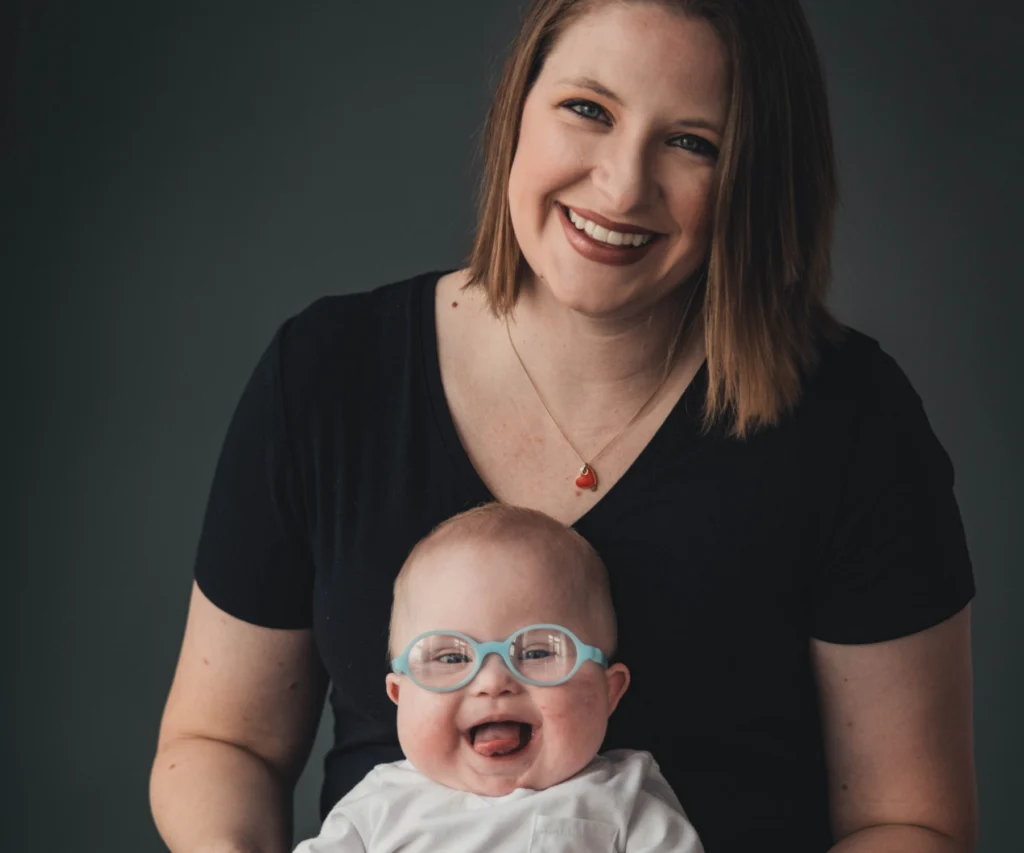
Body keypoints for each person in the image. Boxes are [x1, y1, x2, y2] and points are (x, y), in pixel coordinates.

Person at [150, 1, 978, 852]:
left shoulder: (851, 419)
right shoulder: (328, 372)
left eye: (692, 142)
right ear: (519, 105)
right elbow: (221, 742)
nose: (622, 186)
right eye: (589, 109)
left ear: (756, 176)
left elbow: (908, 821)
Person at [292, 503, 704, 852]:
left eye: (538, 652)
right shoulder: (379, 804)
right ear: (400, 695)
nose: (493, 682)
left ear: (609, 691)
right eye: (452, 657)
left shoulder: (623, 797)